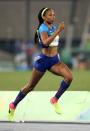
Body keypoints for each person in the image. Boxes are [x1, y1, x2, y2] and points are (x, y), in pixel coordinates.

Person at [8, 7, 73, 116]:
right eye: (50, 15)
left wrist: (56, 32)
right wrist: (59, 30)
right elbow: (45, 43)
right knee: (30, 87)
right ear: (44, 17)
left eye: (53, 14)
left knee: (69, 77)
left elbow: (53, 43)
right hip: (43, 61)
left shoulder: (53, 27)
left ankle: (55, 99)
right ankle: (13, 105)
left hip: (54, 61)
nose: (53, 17)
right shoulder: (42, 28)